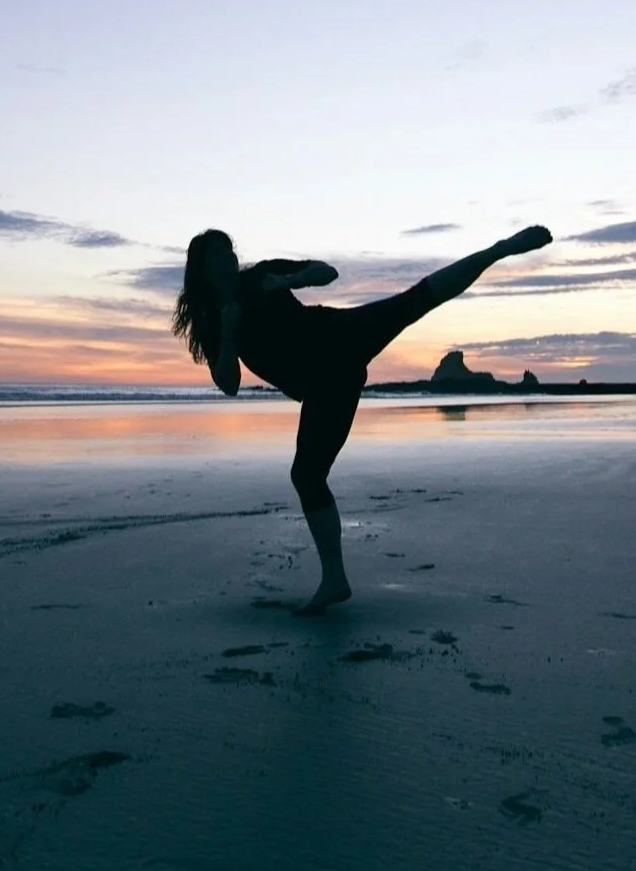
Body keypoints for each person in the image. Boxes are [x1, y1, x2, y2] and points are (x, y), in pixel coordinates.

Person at [172, 225, 553, 614]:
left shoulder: (261, 275)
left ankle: (500, 249)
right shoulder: (210, 320)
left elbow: (327, 272)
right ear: (201, 268)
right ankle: (334, 580)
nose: (229, 258)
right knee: (307, 476)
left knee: (415, 300)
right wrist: (229, 333)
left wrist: (285, 281)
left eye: (229, 250)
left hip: (342, 336)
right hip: (326, 385)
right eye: (218, 254)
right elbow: (229, 384)